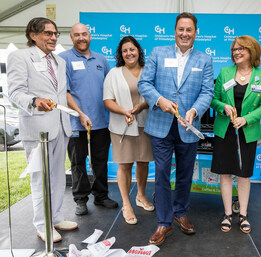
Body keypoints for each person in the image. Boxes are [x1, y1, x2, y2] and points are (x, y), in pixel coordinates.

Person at [138, 12, 214, 245]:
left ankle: (181, 213)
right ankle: (164, 222)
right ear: (175, 31)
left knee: (184, 174)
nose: (184, 34)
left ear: (195, 32)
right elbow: (144, 83)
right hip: (161, 125)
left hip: (188, 126)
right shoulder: (157, 53)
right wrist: (159, 100)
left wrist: (194, 111)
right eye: (181, 29)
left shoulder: (204, 59)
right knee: (161, 173)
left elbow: (207, 92)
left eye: (189, 30)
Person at [7, 17, 78, 242]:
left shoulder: (59, 61)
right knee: (40, 179)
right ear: (33, 35)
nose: (54, 37)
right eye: (48, 33)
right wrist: (34, 99)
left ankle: (55, 217)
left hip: (60, 127)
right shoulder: (19, 57)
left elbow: (60, 94)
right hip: (37, 129)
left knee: (57, 178)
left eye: (55, 33)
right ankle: (42, 225)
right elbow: (14, 91)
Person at [210, 36, 261, 233]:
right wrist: (224, 106)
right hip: (224, 130)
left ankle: (243, 214)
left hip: (247, 131)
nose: (236, 52)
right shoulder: (225, 72)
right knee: (225, 173)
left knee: (244, 175)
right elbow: (213, 99)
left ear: (252, 51)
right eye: (234, 49)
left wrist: (247, 119)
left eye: (241, 49)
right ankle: (227, 213)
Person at [59, 23, 118, 216]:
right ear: (71, 37)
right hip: (76, 122)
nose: (81, 38)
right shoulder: (63, 59)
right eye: (77, 35)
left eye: (84, 34)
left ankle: (101, 195)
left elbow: (111, 88)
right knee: (78, 162)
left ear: (90, 35)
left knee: (100, 161)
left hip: (101, 121)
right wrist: (80, 113)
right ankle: (81, 199)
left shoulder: (101, 59)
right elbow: (64, 92)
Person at [103, 36, 154, 225]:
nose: (129, 53)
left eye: (132, 49)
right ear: (121, 54)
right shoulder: (114, 74)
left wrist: (142, 106)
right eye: (125, 51)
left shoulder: (150, 71)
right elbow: (107, 100)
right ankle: (126, 204)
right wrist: (123, 111)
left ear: (139, 51)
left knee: (143, 162)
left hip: (146, 125)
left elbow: (156, 96)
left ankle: (141, 196)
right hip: (121, 126)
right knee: (125, 164)